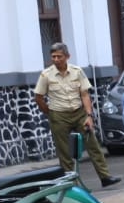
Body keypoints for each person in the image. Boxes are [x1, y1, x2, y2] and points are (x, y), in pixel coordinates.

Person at [34, 42, 119, 187]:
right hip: (59, 115)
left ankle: (105, 176)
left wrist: (89, 116)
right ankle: (71, 184)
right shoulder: (46, 75)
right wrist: (50, 113)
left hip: (79, 113)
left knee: (92, 144)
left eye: (59, 56)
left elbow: (84, 94)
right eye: (53, 57)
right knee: (64, 152)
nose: (56, 59)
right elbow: (38, 97)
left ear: (67, 56)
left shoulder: (77, 71)